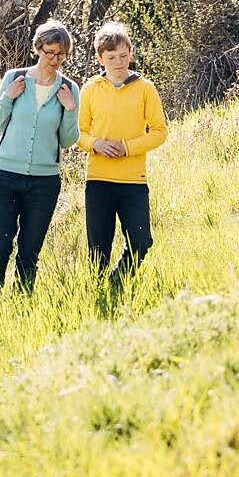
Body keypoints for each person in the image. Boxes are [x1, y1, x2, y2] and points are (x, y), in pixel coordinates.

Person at [0, 20, 80, 296]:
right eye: (49, 52)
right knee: (0, 246)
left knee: (29, 251)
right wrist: (8, 99)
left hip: (44, 182)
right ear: (38, 49)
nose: (54, 60)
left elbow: (68, 140)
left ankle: (22, 306)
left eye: (60, 54)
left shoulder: (69, 89)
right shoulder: (15, 78)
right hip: (5, 176)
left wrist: (70, 110)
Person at [78, 21, 167, 292]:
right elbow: (77, 133)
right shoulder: (91, 89)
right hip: (98, 181)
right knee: (98, 250)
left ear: (130, 52)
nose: (118, 61)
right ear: (100, 58)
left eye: (123, 54)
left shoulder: (145, 88)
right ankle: (97, 296)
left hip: (133, 182)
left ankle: (117, 283)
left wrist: (128, 147)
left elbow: (160, 132)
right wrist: (96, 144)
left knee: (141, 243)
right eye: (111, 56)